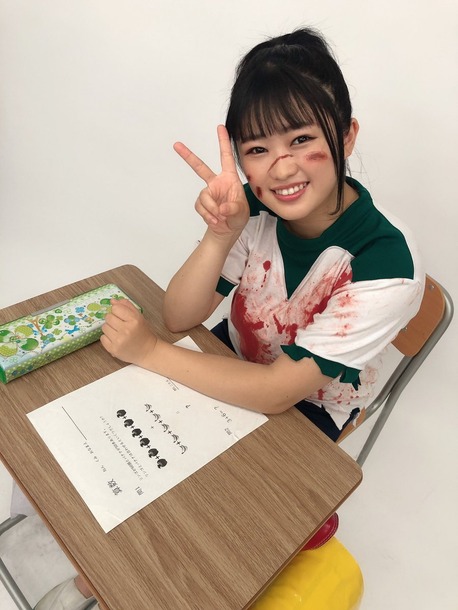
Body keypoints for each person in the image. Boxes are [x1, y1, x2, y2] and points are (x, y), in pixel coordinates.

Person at [34, 26, 424, 610]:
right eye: (257, 149)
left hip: (308, 407)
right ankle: (99, 568)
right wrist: (221, 234)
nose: (280, 169)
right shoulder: (255, 210)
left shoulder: (385, 261)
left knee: (192, 527)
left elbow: (276, 392)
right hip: (227, 356)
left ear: (346, 135)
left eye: (301, 139)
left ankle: (116, 578)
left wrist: (152, 353)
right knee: (104, 452)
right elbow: (178, 315)